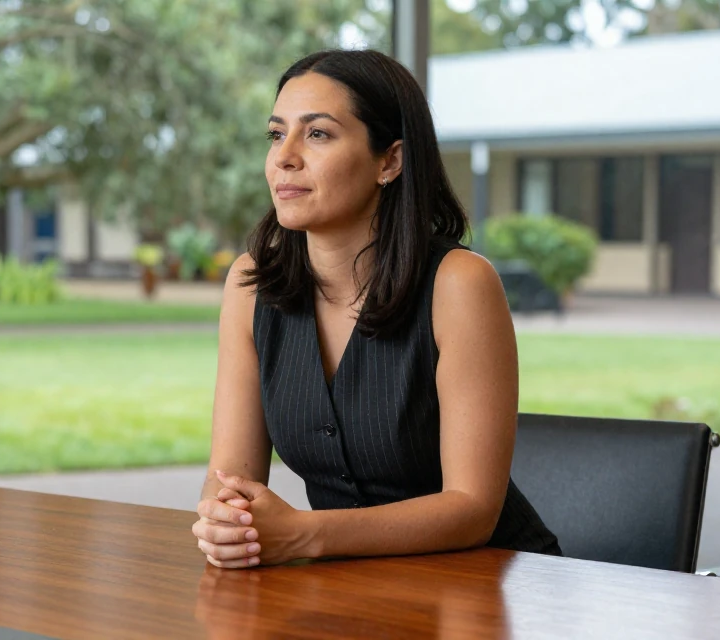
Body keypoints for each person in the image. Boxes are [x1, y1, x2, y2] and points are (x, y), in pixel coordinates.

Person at [192, 49, 561, 569]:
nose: (284, 157)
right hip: (351, 590)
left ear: (390, 160)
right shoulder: (251, 284)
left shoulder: (459, 284)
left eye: (317, 134)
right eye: (277, 134)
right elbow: (230, 476)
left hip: (492, 587)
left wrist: (305, 535)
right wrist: (227, 522)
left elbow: (473, 509)